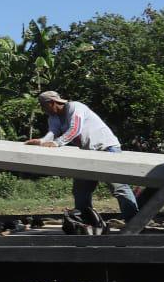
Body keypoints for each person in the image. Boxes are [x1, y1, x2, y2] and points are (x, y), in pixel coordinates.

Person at [25, 90, 140, 220]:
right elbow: (53, 132)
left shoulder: (75, 107)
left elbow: (75, 129)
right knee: (81, 189)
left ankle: (133, 221)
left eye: (43, 105)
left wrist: (57, 143)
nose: (42, 109)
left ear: (52, 103)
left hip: (107, 148)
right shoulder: (53, 117)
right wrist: (41, 141)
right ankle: (87, 220)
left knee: (119, 187)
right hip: (88, 153)